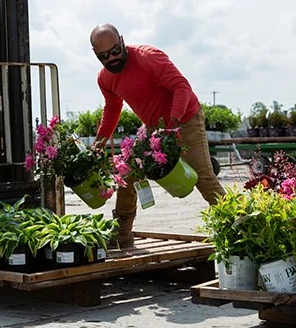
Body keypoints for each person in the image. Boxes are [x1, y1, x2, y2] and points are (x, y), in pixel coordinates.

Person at [90, 23, 226, 247]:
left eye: (115, 51)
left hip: (185, 119)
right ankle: (121, 236)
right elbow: (112, 108)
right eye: (104, 56)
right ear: (96, 55)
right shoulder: (105, 79)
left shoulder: (147, 58)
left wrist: (172, 126)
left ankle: (238, 227)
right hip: (155, 128)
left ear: (122, 41)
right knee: (127, 175)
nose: (112, 58)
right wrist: (98, 144)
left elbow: (182, 87)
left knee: (203, 178)